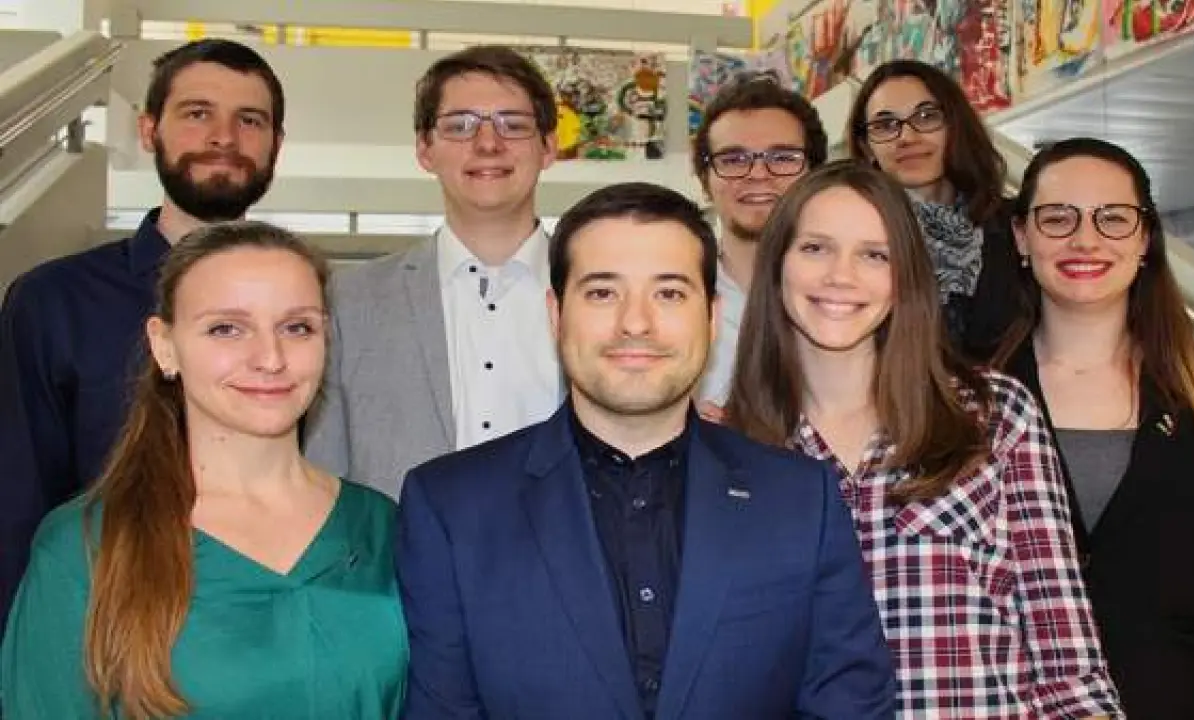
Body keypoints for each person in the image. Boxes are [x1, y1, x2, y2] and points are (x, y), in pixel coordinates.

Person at [395, 182, 896, 719]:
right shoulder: (453, 508)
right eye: (602, 293)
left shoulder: (800, 499)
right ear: (556, 314)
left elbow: (850, 704)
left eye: (669, 294)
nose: (635, 323)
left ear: (712, 317)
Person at [726, 161, 1122, 717]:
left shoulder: (993, 415)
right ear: (777, 265)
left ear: (905, 277)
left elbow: (1068, 662)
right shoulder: (729, 451)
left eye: (875, 255)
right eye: (815, 248)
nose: (841, 276)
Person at [1, 222, 406, 718]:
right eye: (226, 329)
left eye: (297, 327)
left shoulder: (384, 527)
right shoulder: (86, 547)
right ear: (164, 346)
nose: (270, 358)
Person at [0, 38, 284, 637]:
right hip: (103, 629)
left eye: (250, 120)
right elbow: (17, 499)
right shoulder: (55, 301)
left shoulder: (307, 307)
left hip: (269, 624)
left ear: (276, 145)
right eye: (198, 113)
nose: (224, 137)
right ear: (149, 129)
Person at [991, 137, 1194, 719]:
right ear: (1021, 237)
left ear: (1145, 238)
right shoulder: (971, 395)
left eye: (1114, 218)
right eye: (1058, 218)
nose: (1085, 240)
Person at [305, 45, 561, 498]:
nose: (488, 143)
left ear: (548, 147)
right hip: (399, 541)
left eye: (514, 124)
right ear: (425, 149)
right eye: (460, 125)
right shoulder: (349, 300)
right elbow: (323, 471)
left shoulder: (600, 293)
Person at [846, 59, 1018, 358]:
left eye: (926, 117)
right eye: (885, 125)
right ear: (866, 146)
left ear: (955, 126)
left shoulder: (1013, 227)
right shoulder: (854, 237)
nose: (907, 137)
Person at [691, 73, 827, 404]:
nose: (757, 174)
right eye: (733, 159)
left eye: (782, 158)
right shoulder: (673, 296)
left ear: (816, 174)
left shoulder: (852, 294)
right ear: (705, 181)